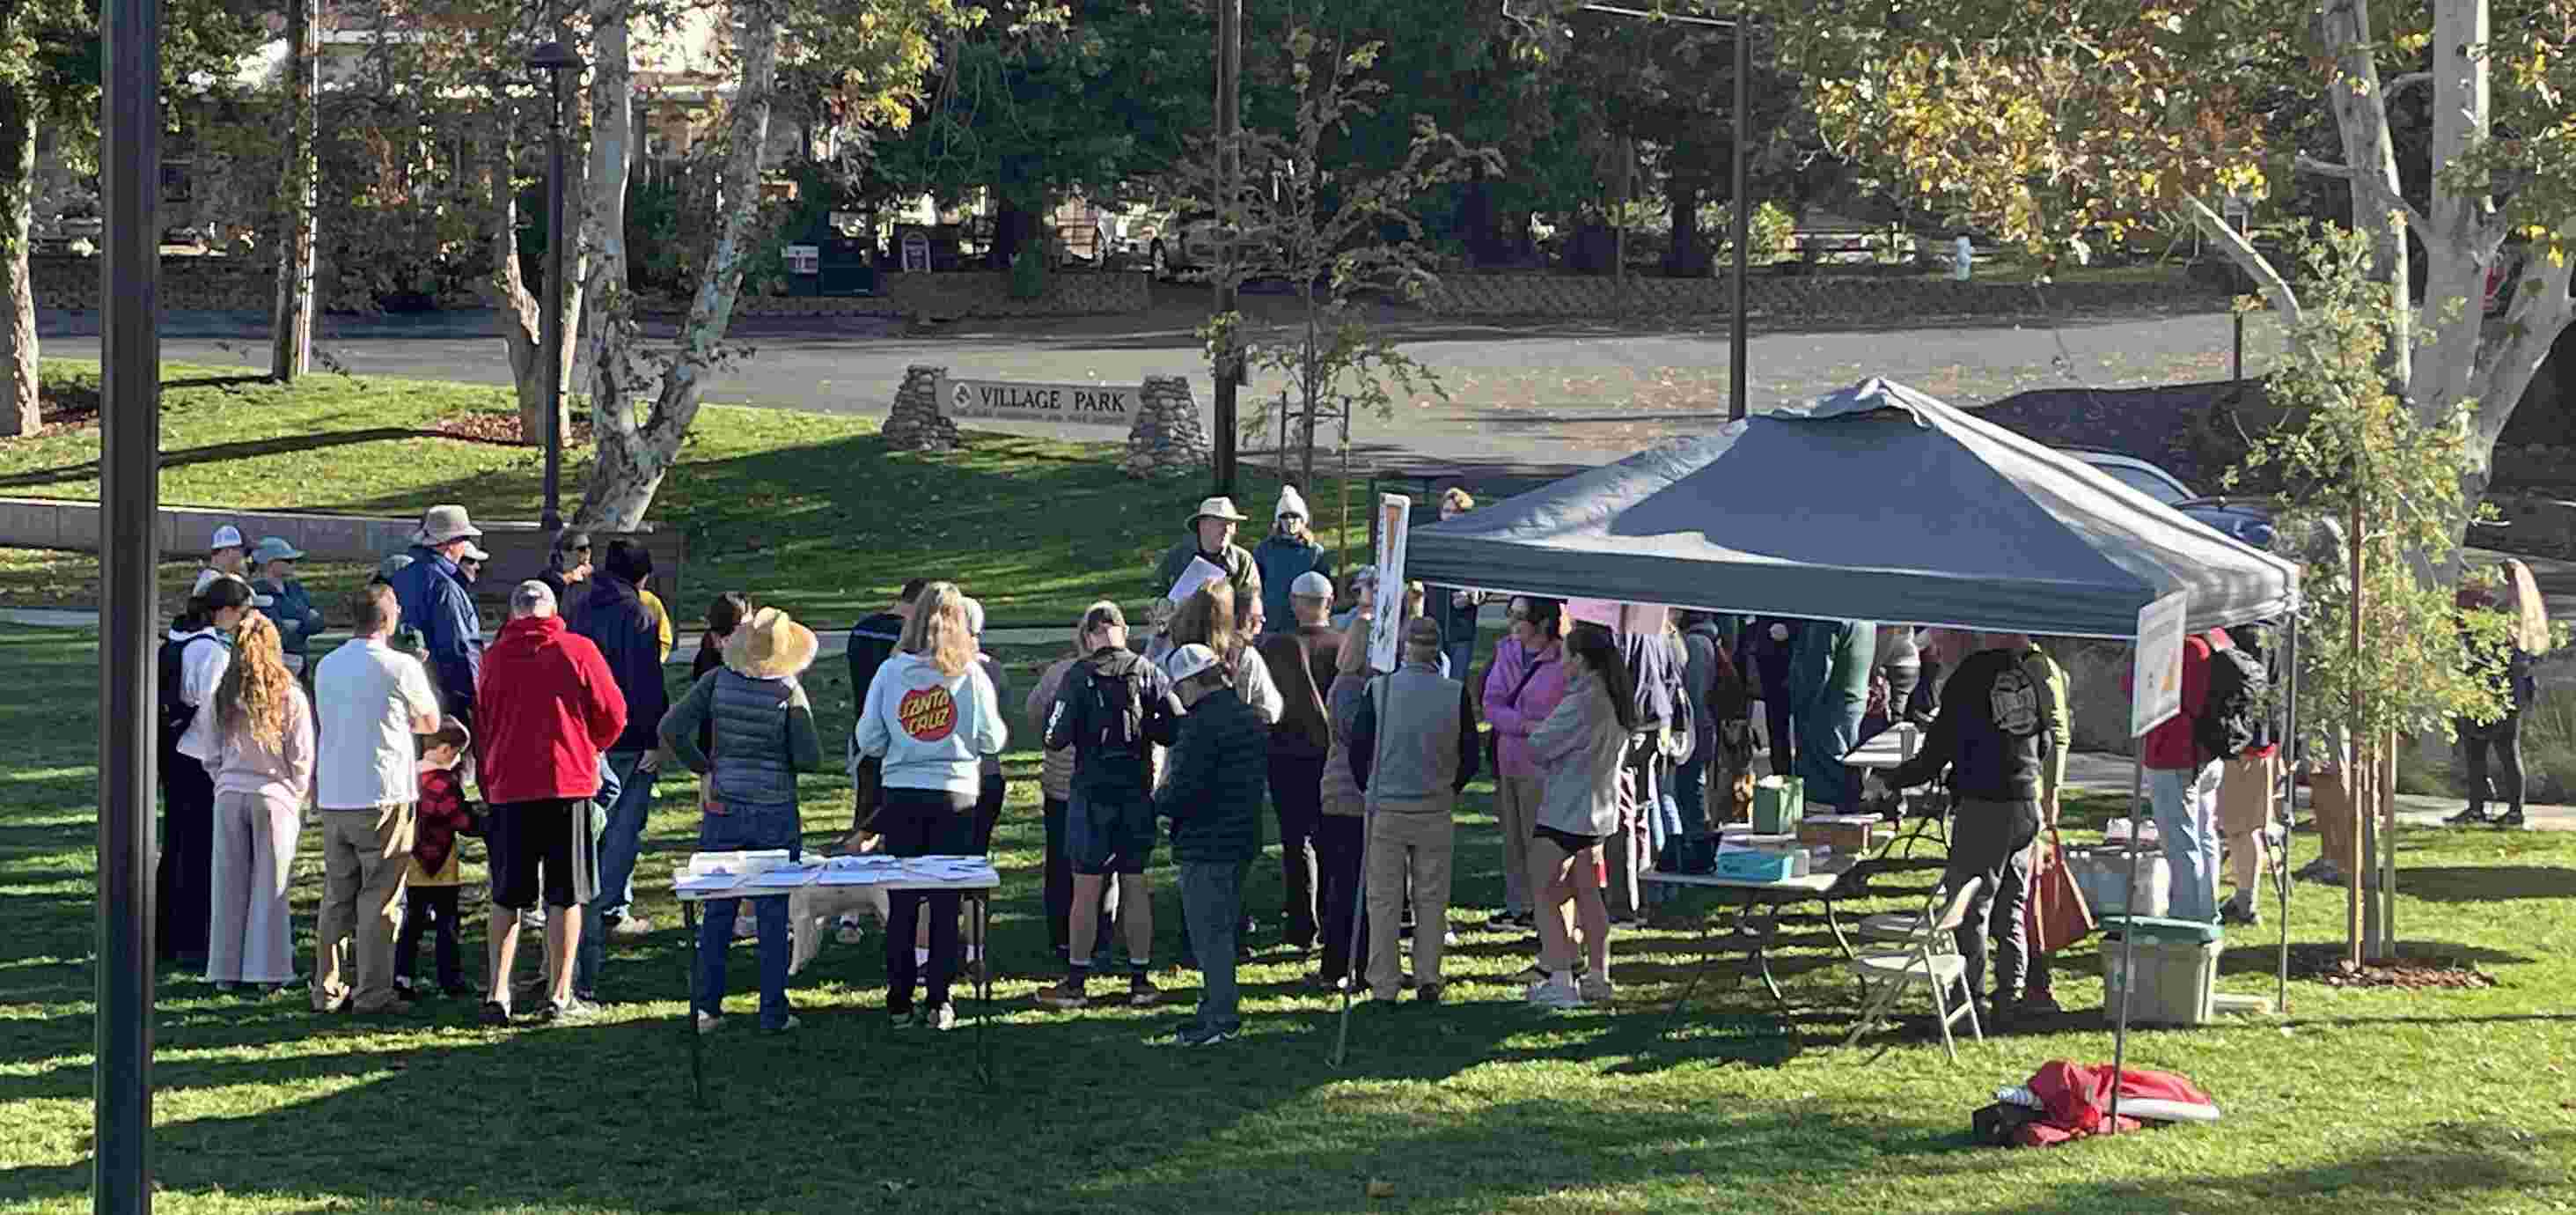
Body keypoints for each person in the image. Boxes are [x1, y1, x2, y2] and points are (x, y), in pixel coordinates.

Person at [1868, 630, 2051, 1025]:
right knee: (2011, 903)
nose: (1936, 646)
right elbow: (2046, 741)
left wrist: (1889, 781)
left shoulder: (1969, 677)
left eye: (1943, 636)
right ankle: (2011, 992)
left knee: (1970, 908)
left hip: (1987, 805)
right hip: (2026, 801)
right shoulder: (2027, 674)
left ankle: (1970, 997)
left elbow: (1936, 752)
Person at [664, 607, 826, 1034]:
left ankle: (707, 1008)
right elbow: (809, 757)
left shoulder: (716, 681)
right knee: (773, 914)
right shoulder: (788, 692)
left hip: (724, 807)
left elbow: (672, 729)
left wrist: (705, 768)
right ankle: (772, 1010)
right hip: (775, 809)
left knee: (718, 909)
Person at [474, 580, 629, 1025]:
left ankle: (498, 991)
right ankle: (560, 994)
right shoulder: (577, 650)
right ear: (553, 610)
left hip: (510, 786)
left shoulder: (494, 658)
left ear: (514, 612)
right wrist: (589, 746)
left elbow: (482, 721)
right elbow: (614, 714)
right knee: (566, 895)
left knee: (507, 897)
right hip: (567, 783)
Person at [854, 583, 1006, 1030]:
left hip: (901, 793)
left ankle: (899, 1001)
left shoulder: (890, 672)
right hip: (956, 795)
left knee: (902, 903)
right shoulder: (970, 674)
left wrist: (903, 744)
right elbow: (993, 739)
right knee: (945, 902)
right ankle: (940, 999)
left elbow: (869, 739)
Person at [1038, 602, 1185, 1010]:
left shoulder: (1077, 675)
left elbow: (1054, 736)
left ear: (1089, 637)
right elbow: (1175, 724)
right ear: (1124, 632)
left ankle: (1076, 982)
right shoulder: (1148, 671)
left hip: (1091, 793)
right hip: (1136, 791)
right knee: (1135, 883)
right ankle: (1140, 980)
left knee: (1086, 888)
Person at [310, 583, 445, 1013]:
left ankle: (327, 988)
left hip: (336, 792)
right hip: (384, 791)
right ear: (388, 619)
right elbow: (430, 721)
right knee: (379, 897)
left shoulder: (328, 665)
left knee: (337, 896)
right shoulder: (401, 666)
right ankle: (373, 992)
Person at [1348, 616, 1479, 1003]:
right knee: (1432, 898)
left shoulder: (1379, 690)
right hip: (1435, 806)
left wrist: (1372, 788)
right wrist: (1450, 788)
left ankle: (1384, 982)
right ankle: (1428, 976)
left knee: (1383, 899)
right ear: (1437, 651)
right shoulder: (1454, 693)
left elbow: (1358, 751)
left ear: (1405, 648)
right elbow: (1470, 756)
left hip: (1386, 806)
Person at [1154, 643, 1272, 1045]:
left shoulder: (1200, 725)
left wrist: (1154, 805)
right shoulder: (1248, 717)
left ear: (1191, 683)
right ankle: (1214, 1006)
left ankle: (1221, 1017)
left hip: (1206, 841)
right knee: (1221, 929)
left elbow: (1184, 788)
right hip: (1242, 836)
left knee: (1210, 936)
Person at [1523, 622, 1636, 1010]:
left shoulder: (1584, 700)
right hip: (1599, 813)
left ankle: (1560, 980)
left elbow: (1539, 745)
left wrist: (1537, 731)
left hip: (1566, 811)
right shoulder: (1617, 697)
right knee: (1588, 895)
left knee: (1543, 894)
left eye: (1567, 656)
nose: (1562, 663)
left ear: (1583, 660)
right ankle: (1599, 976)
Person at [569, 539, 673, 942]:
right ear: (641, 576)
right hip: (628, 733)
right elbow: (646, 682)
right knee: (624, 825)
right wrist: (654, 736)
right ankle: (610, 908)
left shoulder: (579, 606)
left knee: (590, 821)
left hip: (585, 733)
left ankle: (580, 902)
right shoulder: (639, 613)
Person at [204, 612, 314, 994]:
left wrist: (224, 780)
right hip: (274, 795)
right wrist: (297, 793)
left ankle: (225, 970)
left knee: (228, 886)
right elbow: (301, 757)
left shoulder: (222, 694)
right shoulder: (290, 695)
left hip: (229, 793)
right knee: (270, 887)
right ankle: (267, 972)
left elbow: (209, 752)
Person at [160, 575, 254, 966]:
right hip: (200, 757)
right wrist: (221, 761)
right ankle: (194, 936)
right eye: (244, 613)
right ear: (227, 612)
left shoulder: (179, 640)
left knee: (178, 842)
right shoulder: (213, 652)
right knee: (200, 849)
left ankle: (168, 931)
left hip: (175, 752)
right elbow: (211, 712)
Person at [1257, 571, 1342, 954]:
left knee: (1296, 839)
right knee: (1330, 838)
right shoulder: (1344, 645)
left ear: (1294, 603)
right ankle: (1329, 915)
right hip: (1333, 754)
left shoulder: (1276, 647)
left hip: (1287, 752)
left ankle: (1302, 924)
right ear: (1330, 602)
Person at [2129, 626, 2235, 924]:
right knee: (2204, 836)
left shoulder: (2177, 647)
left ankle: (2186, 918)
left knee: (2181, 842)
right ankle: (2206, 911)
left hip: (2174, 754)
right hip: (2206, 754)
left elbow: (2135, 689)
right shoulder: (2215, 640)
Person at [1029, 622, 1118, 966]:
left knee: (1062, 861)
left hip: (1064, 782)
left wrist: (1052, 741)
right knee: (1106, 864)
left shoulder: (1059, 673)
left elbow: (1035, 713)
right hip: (1105, 781)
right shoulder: (1133, 669)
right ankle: (1101, 937)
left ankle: (1063, 937)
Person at [1483, 597, 1569, 931]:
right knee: (1512, 836)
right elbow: (1491, 704)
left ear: (1543, 622)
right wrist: (1524, 724)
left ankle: (1543, 908)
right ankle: (1518, 906)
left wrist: (1536, 727)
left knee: (1540, 839)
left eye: (1519, 616)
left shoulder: (1564, 659)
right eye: (1511, 614)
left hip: (1545, 763)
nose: (1512, 622)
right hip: (1509, 759)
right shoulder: (1505, 651)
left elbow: (1565, 710)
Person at [2453, 559, 2552, 828]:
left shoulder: (2509, 613)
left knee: (2501, 749)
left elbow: (2505, 649)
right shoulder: (2511, 610)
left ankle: (2505, 811)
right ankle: (2486, 809)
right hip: (2497, 685)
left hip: (2502, 686)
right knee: (2484, 748)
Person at [1315, 611, 1383, 990]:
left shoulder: (1353, 684)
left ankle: (1353, 962)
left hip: (1348, 790)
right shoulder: (1350, 687)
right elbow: (1353, 734)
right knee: (1348, 884)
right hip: (1348, 792)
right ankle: (1338, 965)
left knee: (1357, 882)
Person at [394, 721, 477, 1000]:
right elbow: (460, 820)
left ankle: (402, 977)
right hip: (443, 865)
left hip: (412, 862)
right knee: (447, 923)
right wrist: (482, 824)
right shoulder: (444, 782)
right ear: (443, 750)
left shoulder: (408, 776)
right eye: (456, 753)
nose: (458, 759)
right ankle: (450, 979)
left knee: (411, 924)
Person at [386, 504, 487, 724]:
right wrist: (475, 699)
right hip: (446, 698)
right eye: (464, 539)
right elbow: (460, 649)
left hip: (404, 687)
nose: (465, 546)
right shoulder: (446, 586)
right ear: (451, 543)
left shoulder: (401, 577)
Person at [845, 578, 927, 845]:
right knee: (898, 814)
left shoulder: (862, 629)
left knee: (865, 812)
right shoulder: (910, 638)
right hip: (901, 736)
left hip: (864, 728)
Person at [2015, 636, 2073, 1014]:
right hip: (2014, 790)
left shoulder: (2038, 666)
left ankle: (2038, 982)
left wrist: (2051, 792)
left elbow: (2058, 732)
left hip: (2030, 794)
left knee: (2031, 895)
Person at [1159, 580, 1283, 725]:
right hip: (1233, 733)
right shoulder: (1242, 654)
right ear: (1230, 616)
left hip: (1179, 732)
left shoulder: (1167, 644)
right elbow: (1271, 710)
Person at [1788, 618, 1876, 811]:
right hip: (1850, 703)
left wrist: (1797, 700)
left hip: (1826, 710)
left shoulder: (1827, 619)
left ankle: (1827, 817)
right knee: (1845, 770)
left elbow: (1815, 672)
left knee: (1825, 784)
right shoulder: (1865, 617)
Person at [1150, 496, 1262, 608]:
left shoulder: (1243, 560)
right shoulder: (1177, 556)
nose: (1227, 530)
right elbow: (1156, 592)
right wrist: (1167, 606)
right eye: (1220, 524)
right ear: (1202, 525)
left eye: (1231, 524)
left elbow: (1252, 600)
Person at [1252, 487, 1333, 637]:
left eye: (1295, 516)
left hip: (1305, 627)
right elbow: (1255, 586)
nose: (1289, 521)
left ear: (1303, 520)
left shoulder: (1314, 552)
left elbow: (1324, 590)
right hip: (1272, 625)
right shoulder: (1264, 550)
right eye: (1285, 516)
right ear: (1278, 521)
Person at [1425, 488, 1486, 682]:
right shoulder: (1429, 543)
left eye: (1457, 512)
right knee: (1433, 684)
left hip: (1461, 631)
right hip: (1433, 629)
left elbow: (1485, 584)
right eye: (1447, 511)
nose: (1451, 516)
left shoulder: (1475, 547)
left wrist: (1472, 596)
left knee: (1456, 685)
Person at [248, 537, 324, 678]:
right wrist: (306, 618)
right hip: (273, 668)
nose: (293, 564)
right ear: (269, 563)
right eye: (288, 561)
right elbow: (277, 633)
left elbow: (320, 623)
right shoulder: (256, 592)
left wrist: (297, 625)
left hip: (301, 666)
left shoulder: (295, 588)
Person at [1742, 617, 1801, 777]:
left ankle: (1797, 775)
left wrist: (1792, 628)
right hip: (1772, 659)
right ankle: (1783, 775)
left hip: (1791, 654)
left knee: (1796, 725)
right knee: (1777, 726)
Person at [191, 523, 254, 599]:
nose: (248, 558)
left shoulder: (212, 579)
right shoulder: (220, 585)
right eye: (246, 553)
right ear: (228, 551)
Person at [537, 530, 593, 606]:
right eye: (582, 548)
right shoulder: (547, 579)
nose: (588, 551)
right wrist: (572, 579)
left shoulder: (590, 578)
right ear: (564, 552)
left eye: (589, 546)